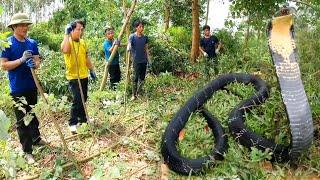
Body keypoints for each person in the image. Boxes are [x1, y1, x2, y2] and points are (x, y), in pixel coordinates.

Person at [0, 13, 47, 164]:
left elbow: (37, 62)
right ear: (14, 27)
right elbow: (4, 65)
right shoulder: (8, 44)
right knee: (21, 121)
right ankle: (27, 151)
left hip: (31, 86)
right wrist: (21, 60)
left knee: (32, 114)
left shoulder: (32, 43)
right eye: (21, 25)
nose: (25, 27)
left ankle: (36, 138)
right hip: (17, 89)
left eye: (26, 25)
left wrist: (34, 63)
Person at [61, 20, 97, 134]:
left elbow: (86, 58)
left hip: (83, 75)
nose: (80, 32)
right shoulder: (68, 41)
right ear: (72, 29)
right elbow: (65, 50)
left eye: (82, 29)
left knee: (84, 98)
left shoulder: (83, 42)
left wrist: (91, 69)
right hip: (73, 77)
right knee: (77, 100)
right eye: (78, 29)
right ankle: (72, 123)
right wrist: (67, 34)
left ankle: (83, 120)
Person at [127, 20, 151, 100]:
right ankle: (133, 95)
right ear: (136, 27)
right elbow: (129, 44)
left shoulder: (145, 38)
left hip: (144, 61)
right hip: (136, 61)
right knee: (135, 78)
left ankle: (139, 93)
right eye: (140, 26)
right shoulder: (132, 36)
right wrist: (128, 47)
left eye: (142, 27)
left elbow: (146, 49)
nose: (142, 28)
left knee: (142, 78)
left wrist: (149, 60)